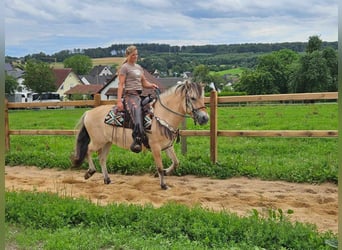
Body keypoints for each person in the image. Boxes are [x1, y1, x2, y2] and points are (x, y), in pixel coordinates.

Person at [117, 45, 159, 153]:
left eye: (136, 54)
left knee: (151, 108)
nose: (135, 56)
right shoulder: (125, 67)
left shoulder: (139, 67)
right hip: (129, 95)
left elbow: (144, 83)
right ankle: (137, 139)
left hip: (139, 95)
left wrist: (152, 85)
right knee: (137, 110)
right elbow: (121, 84)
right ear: (128, 55)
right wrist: (118, 101)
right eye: (133, 55)